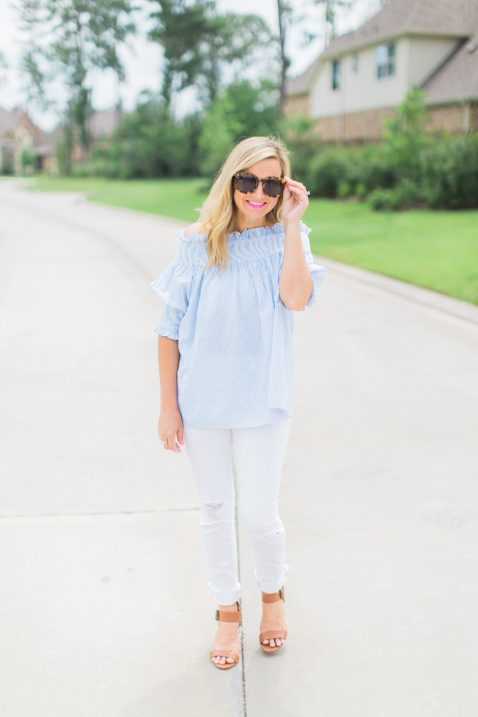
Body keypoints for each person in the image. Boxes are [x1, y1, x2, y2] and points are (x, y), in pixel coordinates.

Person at [150, 135, 326, 670]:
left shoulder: (288, 239)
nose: (258, 192)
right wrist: (168, 406)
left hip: (264, 401)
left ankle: (272, 597)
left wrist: (292, 225)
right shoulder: (197, 243)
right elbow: (168, 331)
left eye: (270, 183)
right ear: (231, 181)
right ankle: (228, 611)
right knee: (214, 509)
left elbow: (296, 298)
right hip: (201, 401)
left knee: (258, 515)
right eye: (248, 180)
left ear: (283, 188)